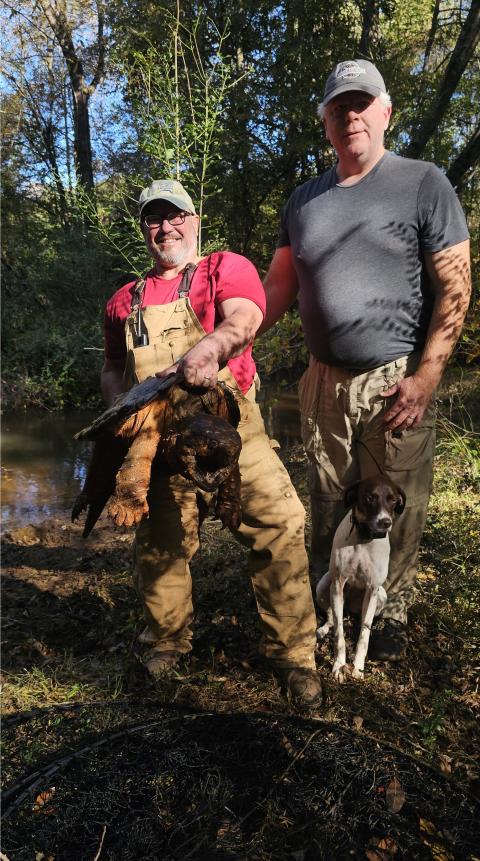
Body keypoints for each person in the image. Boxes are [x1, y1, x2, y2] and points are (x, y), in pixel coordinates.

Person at [261, 59, 471, 661]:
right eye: (337, 107)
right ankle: (332, 610)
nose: (350, 115)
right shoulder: (304, 200)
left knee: (394, 500)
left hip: (394, 377)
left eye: (361, 103)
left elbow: (455, 287)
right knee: (329, 499)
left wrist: (426, 376)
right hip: (322, 382)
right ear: (325, 121)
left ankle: (388, 612)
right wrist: (232, 335)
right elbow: (278, 288)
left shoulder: (424, 182)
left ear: (385, 113)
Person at [101, 179, 323, 708]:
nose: (166, 227)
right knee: (160, 548)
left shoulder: (224, 267)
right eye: (154, 219)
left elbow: (246, 317)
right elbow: (111, 366)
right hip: (159, 440)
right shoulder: (122, 301)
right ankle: (166, 642)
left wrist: (210, 350)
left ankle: (293, 656)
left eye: (175, 215)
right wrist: (120, 406)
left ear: (194, 220)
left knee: (280, 524)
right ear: (143, 229)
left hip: (232, 429)